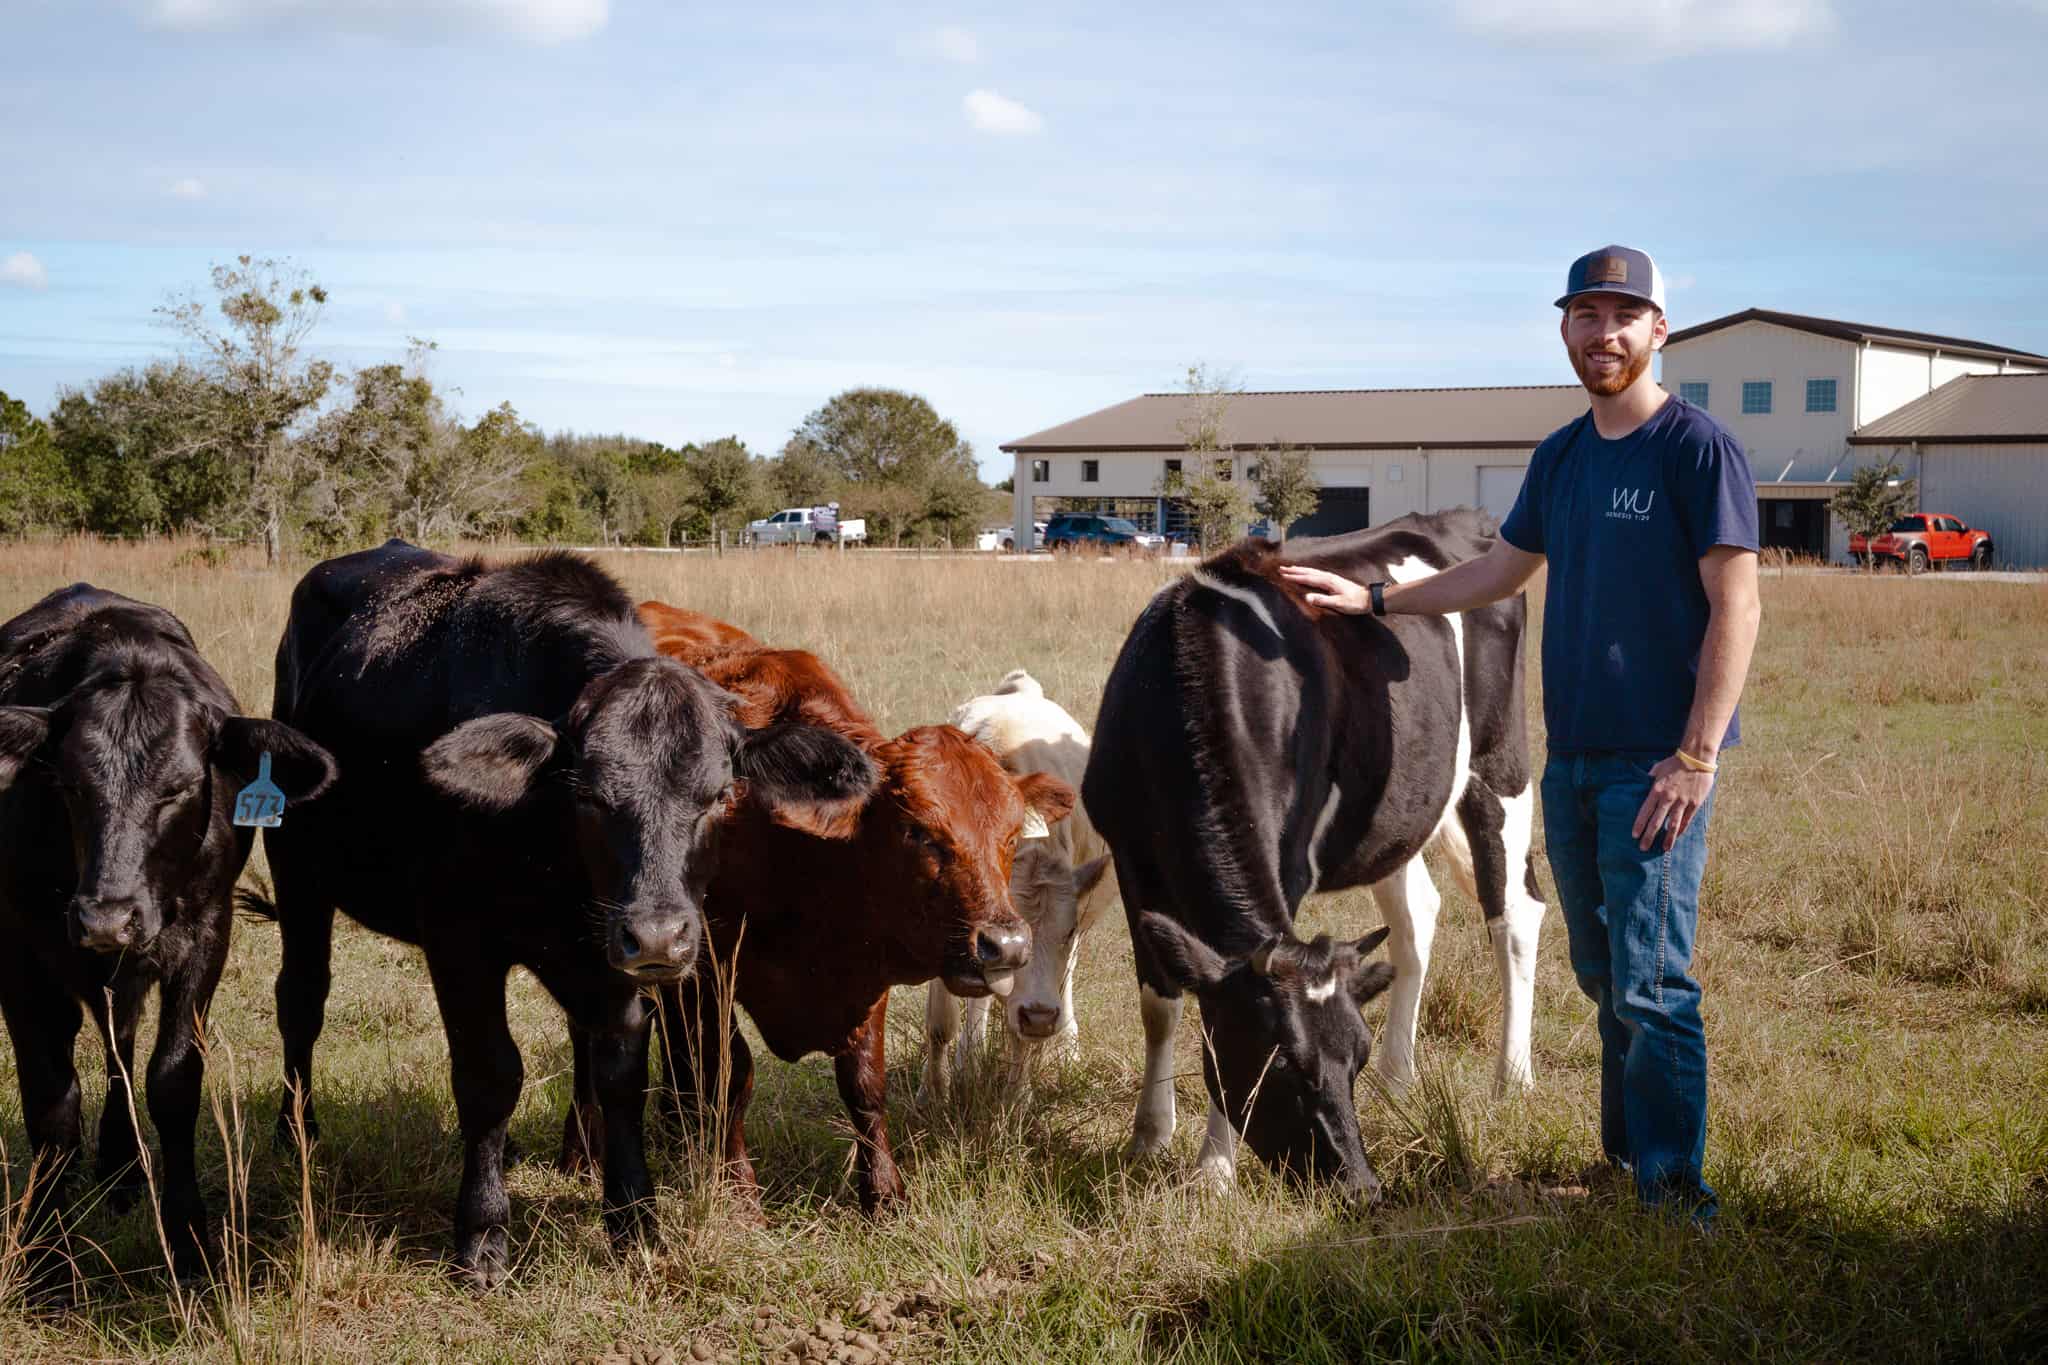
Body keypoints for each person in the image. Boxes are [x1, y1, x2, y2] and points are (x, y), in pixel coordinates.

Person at [1279, 244, 1761, 1220]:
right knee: (1600, 972)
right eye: (1585, 313)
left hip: (1656, 763)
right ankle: (1626, 1164)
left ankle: (1674, 1200)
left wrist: (1696, 754)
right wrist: (1375, 598)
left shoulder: (1696, 449)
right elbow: (1496, 572)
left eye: (1624, 314)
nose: (1604, 331)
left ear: (1657, 330)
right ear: (1564, 329)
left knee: (1653, 984)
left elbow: (1736, 605)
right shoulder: (1560, 457)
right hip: (1574, 759)